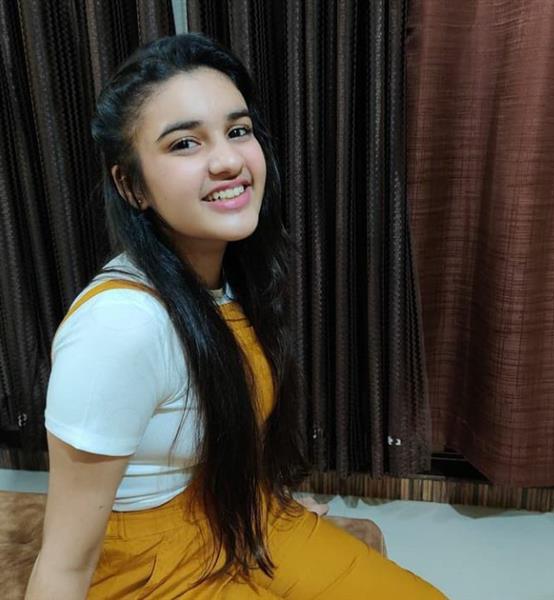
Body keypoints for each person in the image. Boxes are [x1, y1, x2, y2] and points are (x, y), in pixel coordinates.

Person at [24, 33, 447, 599]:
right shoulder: (119, 328)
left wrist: (263, 497)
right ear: (132, 185)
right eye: (184, 144)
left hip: (240, 516)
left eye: (238, 131)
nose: (228, 161)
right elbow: (63, 564)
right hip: (153, 568)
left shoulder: (230, 277)